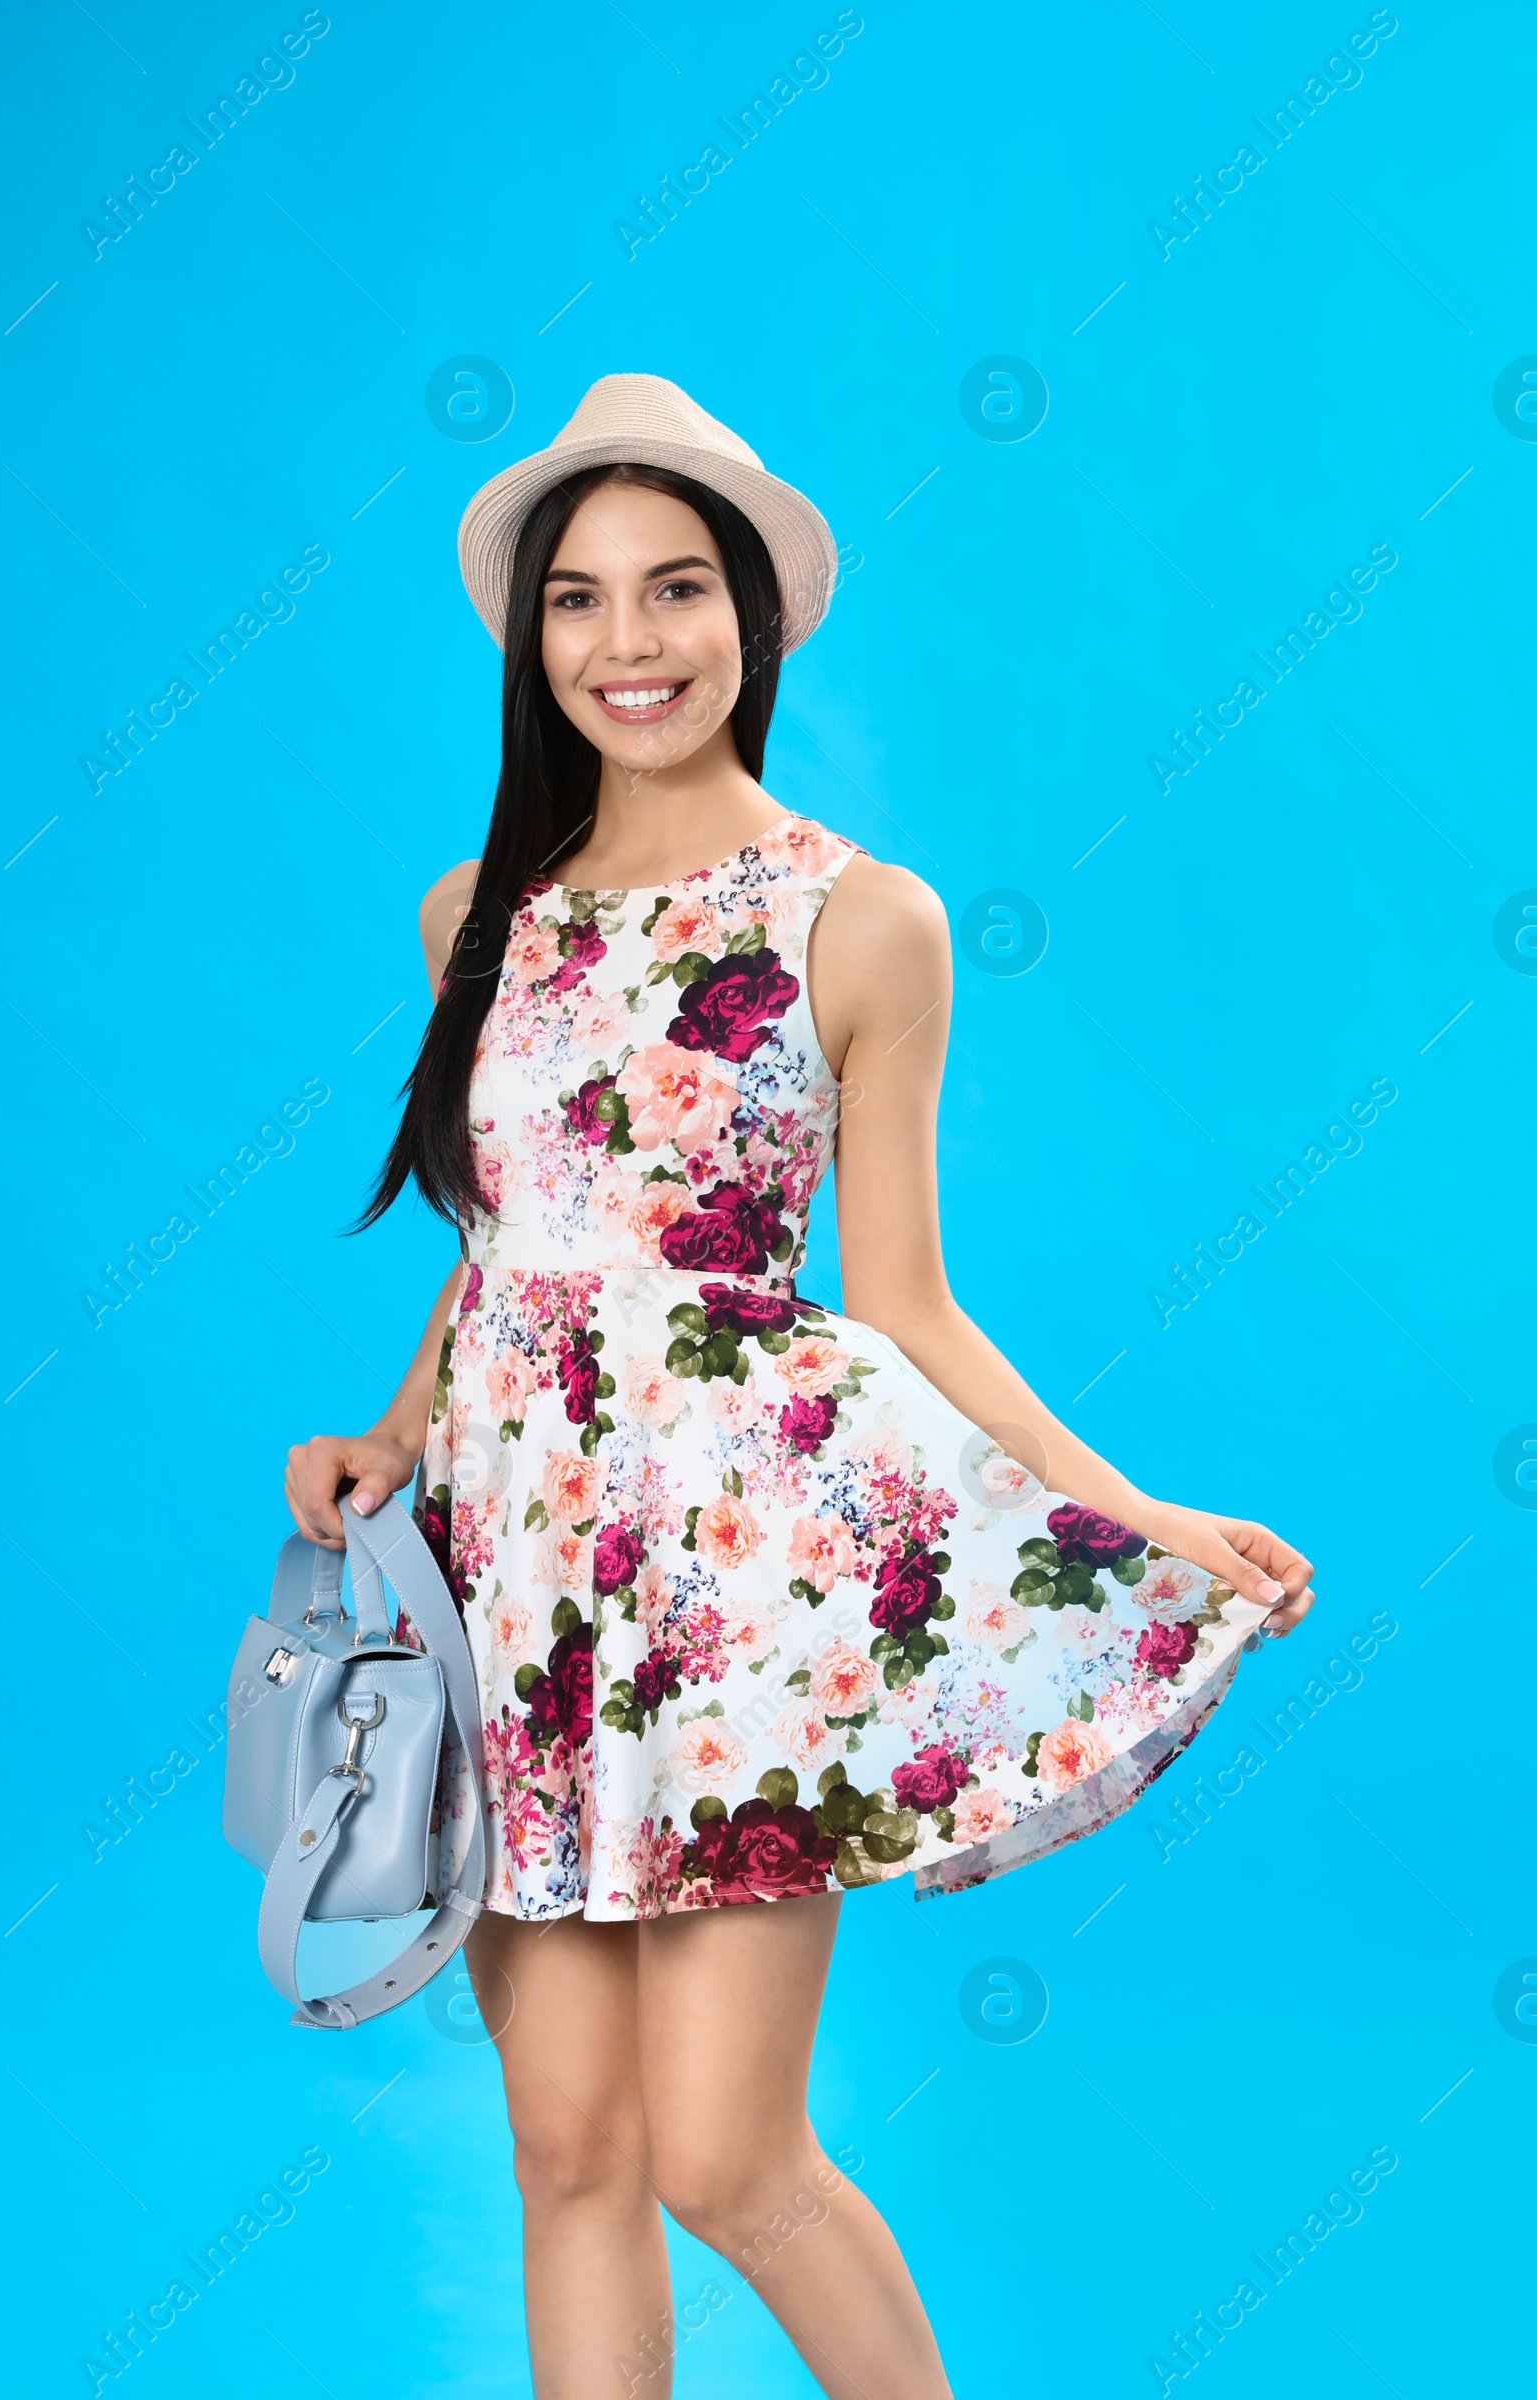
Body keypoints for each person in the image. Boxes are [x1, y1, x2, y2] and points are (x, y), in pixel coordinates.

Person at [284, 374, 1314, 2398]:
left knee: (723, 2160)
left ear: (754, 613)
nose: (626, 643)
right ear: (532, 639)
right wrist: (390, 1435)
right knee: (565, 2149)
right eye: (577, 602)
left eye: (675, 591)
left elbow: (910, 1303)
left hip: (730, 1596)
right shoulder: (468, 917)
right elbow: (507, 1233)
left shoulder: (862, 918)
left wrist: (1144, 1518)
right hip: (508, 1587)